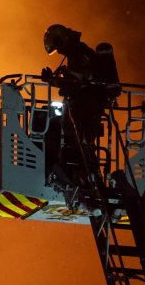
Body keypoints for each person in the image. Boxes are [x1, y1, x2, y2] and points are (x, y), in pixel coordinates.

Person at [41, 24, 121, 201]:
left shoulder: (78, 51)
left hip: (86, 104)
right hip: (88, 103)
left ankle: (91, 179)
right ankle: (86, 177)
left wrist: (53, 80)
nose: (59, 52)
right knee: (81, 142)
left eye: (58, 47)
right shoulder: (78, 52)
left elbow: (79, 79)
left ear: (61, 40)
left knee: (82, 142)